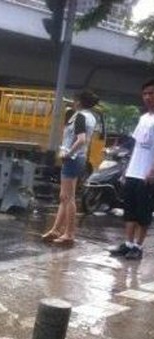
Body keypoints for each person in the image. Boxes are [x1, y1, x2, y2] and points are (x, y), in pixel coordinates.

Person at [42, 90, 99, 246]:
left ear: (79, 102)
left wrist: (68, 153)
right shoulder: (90, 116)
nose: (73, 102)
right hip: (78, 158)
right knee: (64, 197)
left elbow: (81, 140)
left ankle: (69, 233)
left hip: (73, 158)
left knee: (68, 197)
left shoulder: (81, 116)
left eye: (75, 100)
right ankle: (56, 229)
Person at [109, 79, 154, 260]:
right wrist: (127, 169)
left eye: (152, 93)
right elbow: (136, 146)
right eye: (145, 94)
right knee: (130, 209)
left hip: (147, 174)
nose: (148, 97)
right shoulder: (143, 118)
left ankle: (138, 246)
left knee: (144, 211)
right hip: (133, 171)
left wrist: (152, 171)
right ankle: (128, 243)